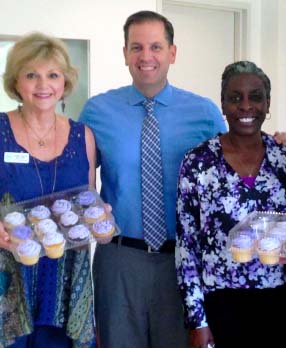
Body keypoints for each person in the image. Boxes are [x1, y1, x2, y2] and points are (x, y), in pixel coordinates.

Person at [78, 10, 226, 348]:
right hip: (119, 260)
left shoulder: (204, 113)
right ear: (125, 53)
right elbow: (78, 184)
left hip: (183, 262)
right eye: (137, 47)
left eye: (156, 47)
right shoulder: (97, 111)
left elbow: (233, 167)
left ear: (172, 52)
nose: (146, 56)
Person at [176, 61, 286, 348]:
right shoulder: (198, 162)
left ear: (267, 105)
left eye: (255, 97)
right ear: (223, 104)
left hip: (281, 301)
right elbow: (186, 247)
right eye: (235, 97)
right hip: (220, 304)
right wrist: (197, 320)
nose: (245, 106)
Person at [0, 32, 96, 347]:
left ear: (65, 81)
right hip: (9, 276)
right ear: (16, 82)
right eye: (32, 75)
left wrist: (100, 215)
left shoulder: (84, 136)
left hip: (66, 276)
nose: (43, 85)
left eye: (53, 75)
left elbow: (88, 202)